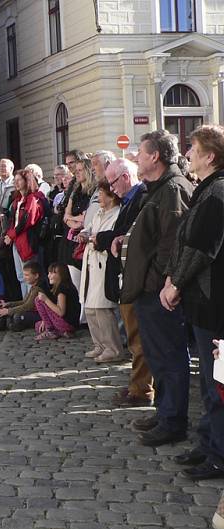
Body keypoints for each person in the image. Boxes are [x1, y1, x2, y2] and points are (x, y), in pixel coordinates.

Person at [121, 129, 194, 446]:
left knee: (169, 356)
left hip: (158, 292)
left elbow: (172, 243)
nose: (135, 156)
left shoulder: (173, 189)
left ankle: (173, 421)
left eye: (140, 151)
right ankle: (165, 412)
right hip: (148, 289)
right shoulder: (158, 188)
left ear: (155, 156)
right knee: (157, 355)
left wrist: (158, 280)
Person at [160, 125, 224, 479]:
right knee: (208, 383)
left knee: (218, 383)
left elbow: (201, 247)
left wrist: (176, 283)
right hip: (203, 300)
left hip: (214, 301)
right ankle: (209, 444)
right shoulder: (208, 189)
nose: (187, 154)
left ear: (210, 156)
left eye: (193, 148)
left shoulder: (218, 190)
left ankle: (219, 454)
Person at [98, 158, 153, 408]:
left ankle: (142, 390)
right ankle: (137, 385)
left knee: (139, 338)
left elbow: (137, 233)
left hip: (138, 277)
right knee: (134, 338)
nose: (112, 188)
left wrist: (105, 237)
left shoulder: (141, 196)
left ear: (125, 177)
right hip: (127, 275)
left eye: (113, 182)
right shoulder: (131, 198)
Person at [81, 181, 124, 363]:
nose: (98, 197)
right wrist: (84, 234)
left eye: (101, 194)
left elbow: (110, 236)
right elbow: (89, 228)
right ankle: (98, 344)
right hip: (91, 259)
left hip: (103, 261)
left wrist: (95, 239)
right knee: (90, 307)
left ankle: (112, 348)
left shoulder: (117, 214)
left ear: (111, 196)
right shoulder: (99, 212)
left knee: (102, 307)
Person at [4, 171, 43, 298]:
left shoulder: (33, 198)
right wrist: (10, 235)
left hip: (27, 241)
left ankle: (32, 306)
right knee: (21, 276)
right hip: (17, 241)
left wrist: (11, 235)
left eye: (19, 180)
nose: (16, 182)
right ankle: (25, 302)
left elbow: (27, 221)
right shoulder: (17, 200)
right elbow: (12, 221)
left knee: (29, 277)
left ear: (27, 181)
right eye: (15, 180)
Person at [61, 158, 95, 291]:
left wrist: (74, 219)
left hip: (83, 239)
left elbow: (88, 217)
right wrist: (74, 221)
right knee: (73, 283)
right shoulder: (75, 191)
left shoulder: (93, 192)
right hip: (70, 240)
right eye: (76, 171)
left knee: (85, 284)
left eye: (80, 170)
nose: (77, 173)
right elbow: (66, 216)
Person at [0, 261, 49, 331]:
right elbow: (24, 302)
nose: (24, 277)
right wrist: (9, 304)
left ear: (36, 276)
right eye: (24, 275)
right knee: (13, 314)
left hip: (41, 315)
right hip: (34, 312)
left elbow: (28, 306)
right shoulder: (33, 287)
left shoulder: (38, 289)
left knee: (17, 316)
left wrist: (8, 311)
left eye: (27, 275)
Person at [34, 263, 80, 341]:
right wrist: (45, 320)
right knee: (38, 325)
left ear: (61, 274)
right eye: (49, 273)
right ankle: (62, 332)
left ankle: (51, 331)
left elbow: (61, 312)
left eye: (52, 273)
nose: (49, 276)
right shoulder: (65, 286)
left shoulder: (62, 288)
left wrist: (45, 299)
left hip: (67, 324)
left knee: (38, 300)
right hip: (71, 324)